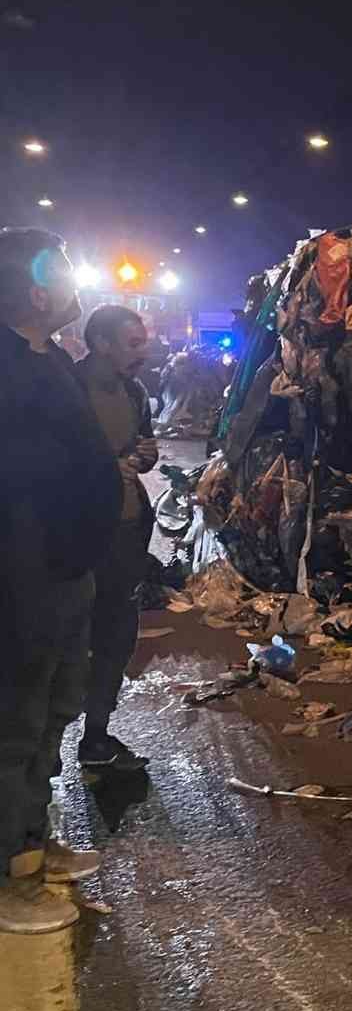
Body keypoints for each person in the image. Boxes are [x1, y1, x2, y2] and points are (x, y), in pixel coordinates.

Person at [0, 228, 121, 934]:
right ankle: (9, 875)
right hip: (26, 579)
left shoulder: (48, 361)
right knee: (13, 723)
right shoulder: (8, 368)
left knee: (51, 712)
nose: (78, 283)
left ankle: (30, 844)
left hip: (67, 572)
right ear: (38, 291)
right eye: (67, 271)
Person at [75, 305, 159, 771]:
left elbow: (140, 449)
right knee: (65, 638)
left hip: (125, 530)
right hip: (73, 534)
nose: (143, 351)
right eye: (133, 343)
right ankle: (32, 757)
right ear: (101, 343)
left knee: (116, 636)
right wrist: (110, 468)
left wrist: (144, 456)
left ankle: (96, 737)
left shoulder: (135, 391)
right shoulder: (64, 390)